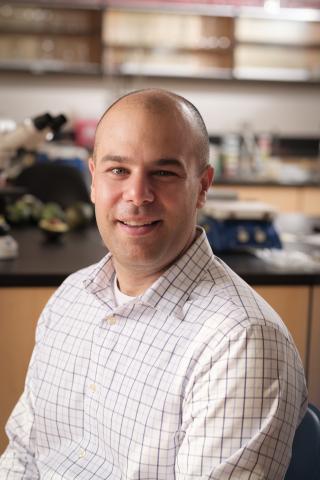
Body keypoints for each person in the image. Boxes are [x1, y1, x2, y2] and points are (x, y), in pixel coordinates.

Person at [0, 88, 307, 479]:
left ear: (202, 186)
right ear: (93, 181)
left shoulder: (240, 342)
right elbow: (25, 452)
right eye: (118, 170)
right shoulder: (71, 297)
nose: (137, 195)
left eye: (163, 172)